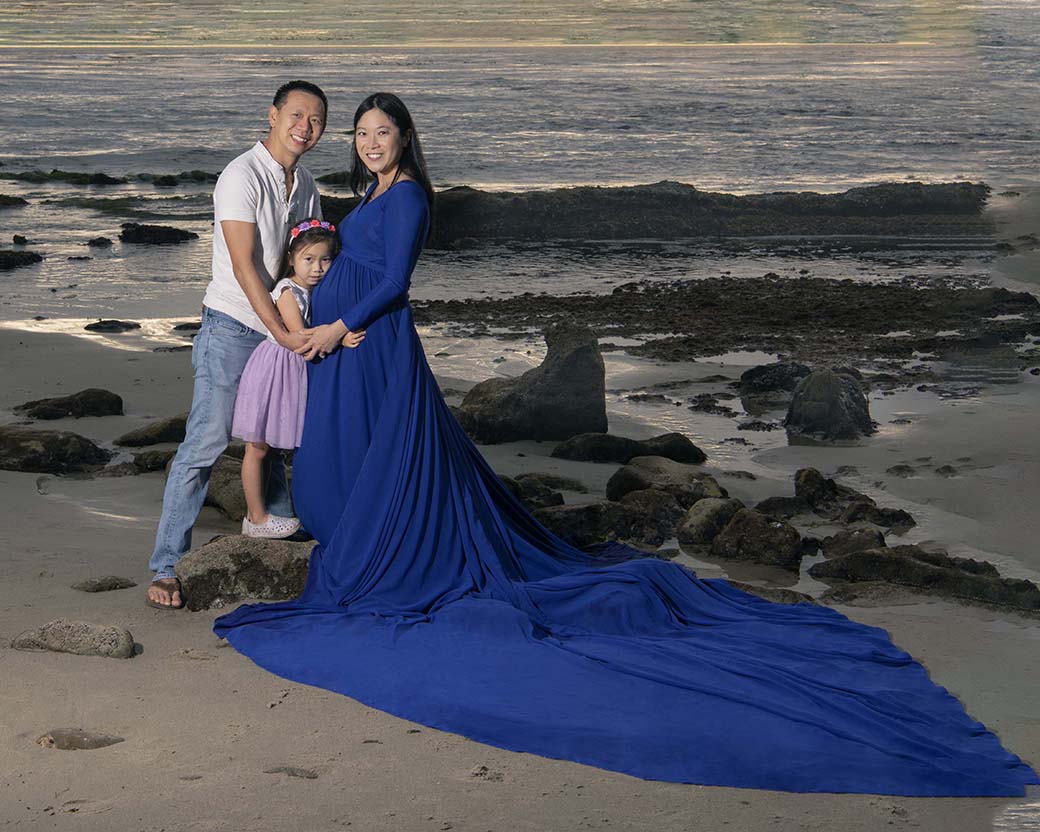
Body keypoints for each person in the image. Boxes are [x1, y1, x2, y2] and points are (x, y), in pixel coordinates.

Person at [215, 94, 1038, 796]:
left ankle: (386, 556)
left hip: (371, 345)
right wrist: (311, 323)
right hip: (340, 350)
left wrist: (336, 326)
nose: (369, 141)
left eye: (381, 132)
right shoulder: (361, 197)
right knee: (334, 468)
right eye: (359, 131)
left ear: (404, 140)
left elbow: (394, 284)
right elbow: (319, 261)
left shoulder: (412, 198)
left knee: (386, 471)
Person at [147, 80, 328, 609]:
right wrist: (284, 333)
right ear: (272, 115)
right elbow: (247, 265)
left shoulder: (307, 185)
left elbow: (306, 261)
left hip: (277, 328)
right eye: (296, 115)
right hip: (232, 326)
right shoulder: (240, 175)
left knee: (270, 437)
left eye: (316, 120)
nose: (305, 128)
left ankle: (268, 525)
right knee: (204, 444)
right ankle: (165, 567)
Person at [231, 219, 363, 537]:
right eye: (308, 259)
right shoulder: (287, 290)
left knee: (270, 449)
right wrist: (340, 336)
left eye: (325, 259)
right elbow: (299, 336)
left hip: (289, 372)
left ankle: (262, 513)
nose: (317, 268)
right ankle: (256, 517)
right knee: (258, 447)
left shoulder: (313, 290)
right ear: (292, 259)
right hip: (273, 370)